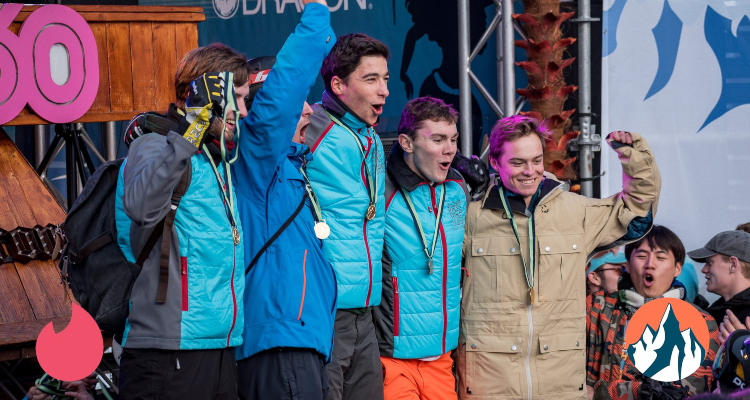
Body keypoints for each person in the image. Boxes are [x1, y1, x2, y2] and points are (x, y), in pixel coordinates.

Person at [458, 115, 661, 400]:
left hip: (559, 384)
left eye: (537, 160)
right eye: (518, 163)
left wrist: (635, 158)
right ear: (494, 163)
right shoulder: (472, 216)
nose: (530, 171)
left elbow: (637, 216)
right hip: (489, 382)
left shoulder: (575, 212)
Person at [116, 44, 250, 400]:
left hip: (219, 345)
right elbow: (141, 207)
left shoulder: (217, 158)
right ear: (205, 93)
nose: (244, 111)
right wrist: (192, 128)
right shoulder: (155, 143)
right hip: (166, 350)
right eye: (237, 98)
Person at [230, 2, 337, 399]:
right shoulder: (256, 161)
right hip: (278, 347)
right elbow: (284, 90)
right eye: (298, 104)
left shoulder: (293, 169)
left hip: (302, 343)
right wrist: (316, 16)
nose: (309, 110)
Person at [304, 33, 390, 400]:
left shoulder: (370, 137)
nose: (384, 90)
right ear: (338, 85)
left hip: (365, 310)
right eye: (371, 80)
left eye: (386, 78)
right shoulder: (312, 129)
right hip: (324, 311)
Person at [372, 97, 468, 400]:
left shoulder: (458, 188)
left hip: (441, 358)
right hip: (392, 357)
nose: (449, 149)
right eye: (437, 139)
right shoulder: (381, 190)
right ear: (406, 142)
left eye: (453, 139)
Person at [587, 225, 720, 399]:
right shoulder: (597, 307)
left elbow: (680, 393)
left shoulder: (699, 321)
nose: (650, 264)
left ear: (677, 268)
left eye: (661, 257)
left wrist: (598, 393)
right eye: (641, 256)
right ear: (627, 263)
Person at [688, 230, 750, 343]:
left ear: (733, 264)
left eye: (710, 262)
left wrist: (744, 349)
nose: (704, 270)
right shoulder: (716, 312)